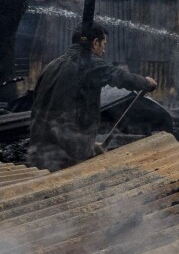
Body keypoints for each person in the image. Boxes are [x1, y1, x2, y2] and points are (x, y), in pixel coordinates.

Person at [28, 24, 156, 171]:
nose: (104, 50)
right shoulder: (88, 63)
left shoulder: (50, 66)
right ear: (95, 42)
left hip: (38, 152)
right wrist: (146, 82)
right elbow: (120, 77)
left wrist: (88, 144)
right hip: (65, 156)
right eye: (104, 44)